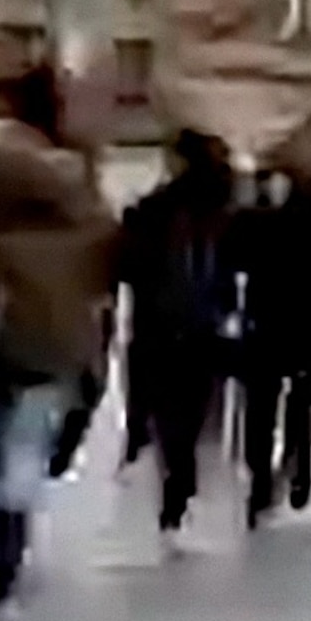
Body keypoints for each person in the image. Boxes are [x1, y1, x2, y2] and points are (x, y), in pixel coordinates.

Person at [0, 67, 115, 609]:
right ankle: (8, 544)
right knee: (26, 441)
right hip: (56, 341)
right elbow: (108, 267)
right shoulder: (81, 202)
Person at [113, 130, 237, 540]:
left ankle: (172, 470)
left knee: (167, 405)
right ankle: (181, 474)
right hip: (208, 323)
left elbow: (127, 265)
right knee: (193, 402)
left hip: (159, 323)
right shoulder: (227, 208)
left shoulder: (153, 209)